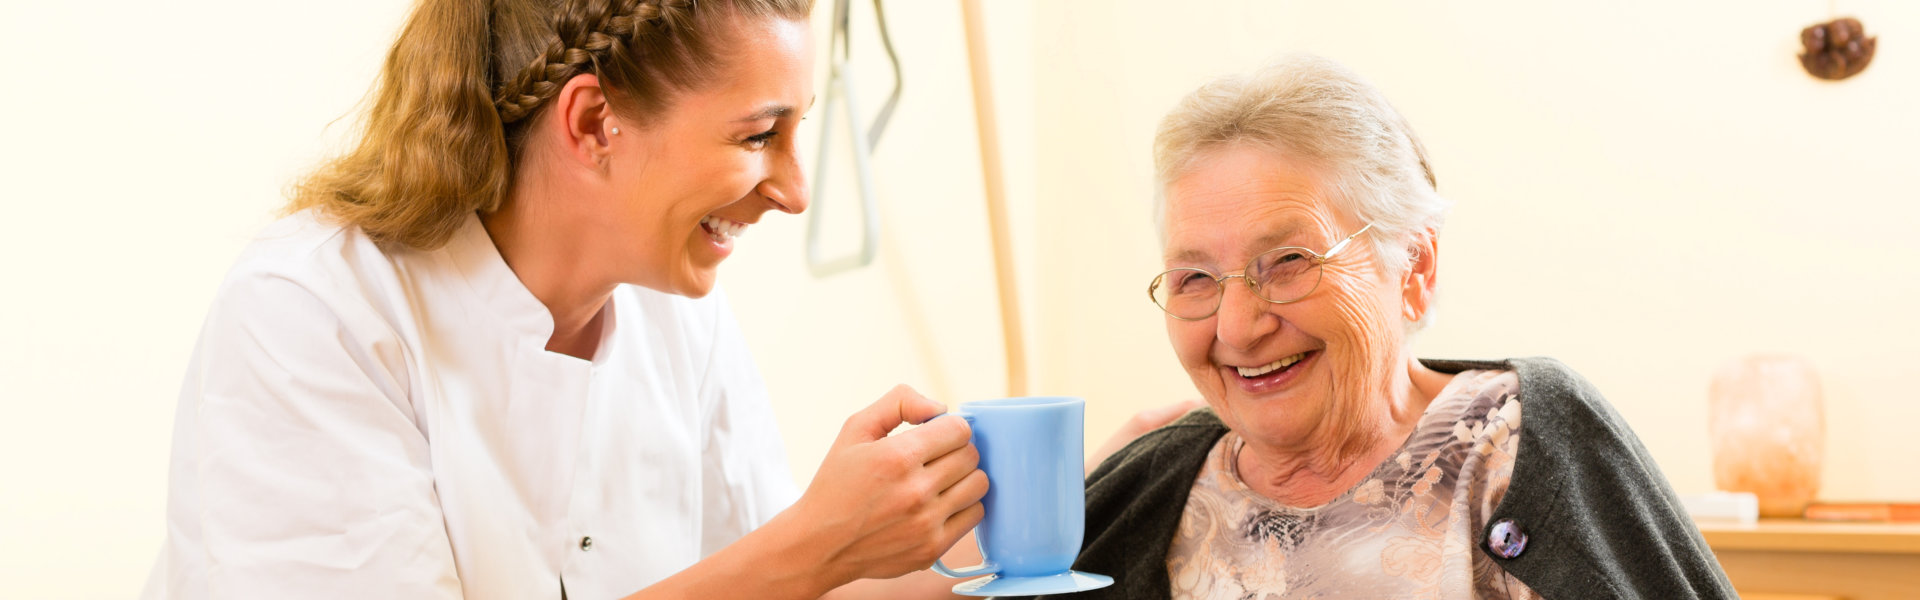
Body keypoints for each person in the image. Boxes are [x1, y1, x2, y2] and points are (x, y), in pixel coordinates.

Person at [139, 1, 1178, 598]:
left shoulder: (677, 316)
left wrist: (1070, 508)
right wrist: (814, 542)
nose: (795, 187)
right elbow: (783, 570)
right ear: (592, 125)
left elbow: (792, 587)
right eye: (757, 133)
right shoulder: (313, 317)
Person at [1015, 55, 1738, 599]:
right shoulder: (1152, 480)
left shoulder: (1522, 440)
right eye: (1196, 279)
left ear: (1414, 267)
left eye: (1289, 261)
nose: (1236, 326)